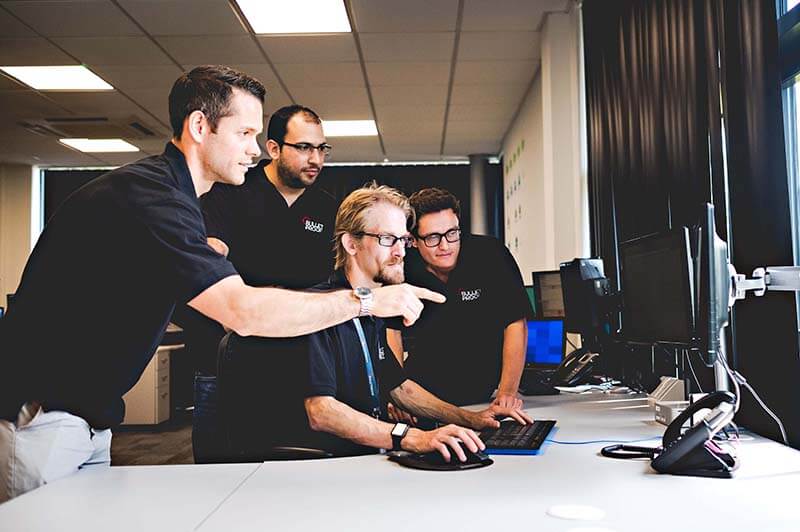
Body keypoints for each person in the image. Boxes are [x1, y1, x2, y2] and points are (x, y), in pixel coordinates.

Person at [0, 65, 443, 503]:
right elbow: (242, 311)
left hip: (89, 417)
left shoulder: (178, 200)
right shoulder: (153, 198)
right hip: (42, 416)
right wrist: (368, 301)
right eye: (245, 134)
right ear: (199, 126)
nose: (255, 150)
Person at [293, 184, 531, 460]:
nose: (401, 252)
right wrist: (411, 438)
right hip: (329, 466)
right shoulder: (323, 309)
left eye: (402, 240)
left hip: (371, 456)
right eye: (387, 239)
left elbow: (400, 388)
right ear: (351, 244)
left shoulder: (372, 310)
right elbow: (321, 412)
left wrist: (472, 419)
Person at [180, 105, 336, 376]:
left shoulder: (327, 207)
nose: (316, 159)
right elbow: (209, 258)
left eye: (321, 149)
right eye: (304, 148)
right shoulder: (230, 192)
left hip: (302, 360)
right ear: (274, 149)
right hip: (228, 358)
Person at [387, 187, 534, 409]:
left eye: (452, 233)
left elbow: (515, 322)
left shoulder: (490, 254)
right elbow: (392, 332)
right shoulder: (403, 267)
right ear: (413, 240)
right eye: (433, 238)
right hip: (422, 393)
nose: (445, 246)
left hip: (482, 392)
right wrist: (398, 395)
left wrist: (507, 392)